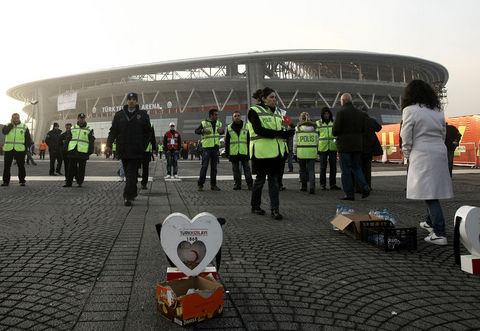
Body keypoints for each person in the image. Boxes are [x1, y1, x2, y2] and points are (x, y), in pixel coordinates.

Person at [400, 80, 453, 246]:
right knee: (432, 188)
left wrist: (407, 153)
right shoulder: (437, 110)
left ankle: (439, 232)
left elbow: (406, 135)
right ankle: (429, 222)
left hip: (422, 152)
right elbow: (443, 133)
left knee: (429, 194)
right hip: (439, 150)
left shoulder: (410, 110)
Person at [248, 87, 295, 220]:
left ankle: (275, 209)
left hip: (276, 153)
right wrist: (282, 133)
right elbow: (259, 130)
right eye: (271, 97)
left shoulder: (279, 112)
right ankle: (255, 206)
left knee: (274, 182)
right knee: (260, 181)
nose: (274, 100)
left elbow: (287, 125)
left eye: (275, 97)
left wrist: (290, 129)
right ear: (263, 99)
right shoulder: (254, 111)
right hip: (261, 153)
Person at [106, 92, 151, 206]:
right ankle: (133, 191)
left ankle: (127, 196)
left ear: (136, 101)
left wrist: (143, 145)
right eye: (129, 99)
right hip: (123, 150)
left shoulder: (143, 115)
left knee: (131, 173)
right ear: (126, 101)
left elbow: (148, 132)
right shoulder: (119, 115)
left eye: (134, 99)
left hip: (136, 150)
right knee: (129, 174)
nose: (131, 101)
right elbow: (113, 131)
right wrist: (108, 144)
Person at [332, 93, 370, 200]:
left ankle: (349, 194)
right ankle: (365, 186)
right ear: (351, 101)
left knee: (346, 171)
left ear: (342, 101)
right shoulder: (359, 113)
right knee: (357, 168)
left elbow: (335, 131)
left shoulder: (341, 113)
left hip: (344, 146)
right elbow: (363, 129)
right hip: (357, 146)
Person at [195, 109, 224, 191]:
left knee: (214, 168)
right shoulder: (204, 123)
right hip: (207, 149)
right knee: (204, 167)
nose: (217, 116)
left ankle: (213, 185)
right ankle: (200, 185)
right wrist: (203, 131)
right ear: (211, 116)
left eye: (217, 115)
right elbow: (196, 131)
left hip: (215, 148)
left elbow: (221, 132)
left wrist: (222, 131)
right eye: (215, 115)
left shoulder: (219, 123)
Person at [63, 114, 95, 187]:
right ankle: (69, 183)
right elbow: (68, 139)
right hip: (73, 150)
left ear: (85, 119)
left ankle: (80, 182)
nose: (81, 120)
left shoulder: (89, 129)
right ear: (77, 118)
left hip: (83, 151)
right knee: (71, 168)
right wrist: (65, 148)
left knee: (81, 168)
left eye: (83, 118)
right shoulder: (73, 128)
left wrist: (90, 151)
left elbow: (91, 141)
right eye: (80, 118)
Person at [355, 108, 383, 191]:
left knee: (358, 168)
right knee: (367, 168)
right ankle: (368, 186)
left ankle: (358, 187)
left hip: (359, 147)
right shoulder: (371, 121)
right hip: (370, 148)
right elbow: (379, 128)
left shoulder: (357, 122)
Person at [225, 110, 253, 190]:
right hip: (234, 153)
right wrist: (227, 153)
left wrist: (250, 152)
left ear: (241, 117)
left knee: (247, 169)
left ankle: (250, 185)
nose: (237, 117)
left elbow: (249, 140)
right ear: (233, 118)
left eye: (238, 116)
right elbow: (227, 141)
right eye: (235, 116)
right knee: (235, 170)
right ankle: (237, 184)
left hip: (244, 152)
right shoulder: (229, 127)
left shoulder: (246, 126)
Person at [2, 113, 32, 186]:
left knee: (21, 165)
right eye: (14, 118)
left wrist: (27, 148)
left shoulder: (24, 126)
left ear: (19, 118)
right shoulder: (7, 125)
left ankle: (22, 181)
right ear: (12, 118)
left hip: (20, 149)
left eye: (17, 118)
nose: (16, 119)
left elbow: (28, 138)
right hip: (9, 148)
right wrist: (11, 125)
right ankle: (6, 181)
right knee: (7, 166)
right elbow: (4, 132)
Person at [316, 107, 341, 191]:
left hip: (332, 147)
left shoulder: (334, 123)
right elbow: (316, 136)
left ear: (330, 114)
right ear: (322, 115)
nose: (326, 115)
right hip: (323, 148)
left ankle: (332, 184)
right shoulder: (318, 123)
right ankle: (323, 184)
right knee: (323, 167)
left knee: (333, 167)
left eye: (328, 113)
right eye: (325, 114)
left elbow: (337, 134)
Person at [293, 112, 318, 194]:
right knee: (311, 170)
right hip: (312, 152)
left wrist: (294, 153)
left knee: (302, 170)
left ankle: (304, 187)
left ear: (300, 119)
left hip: (301, 152)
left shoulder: (298, 129)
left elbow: (295, 142)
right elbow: (317, 142)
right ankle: (312, 187)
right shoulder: (314, 129)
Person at [140, 123, 157, 189]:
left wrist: (154, 148)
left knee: (145, 168)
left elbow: (153, 137)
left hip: (144, 150)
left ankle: (144, 183)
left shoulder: (150, 124)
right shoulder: (149, 123)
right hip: (138, 149)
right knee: (142, 168)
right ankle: (142, 183)